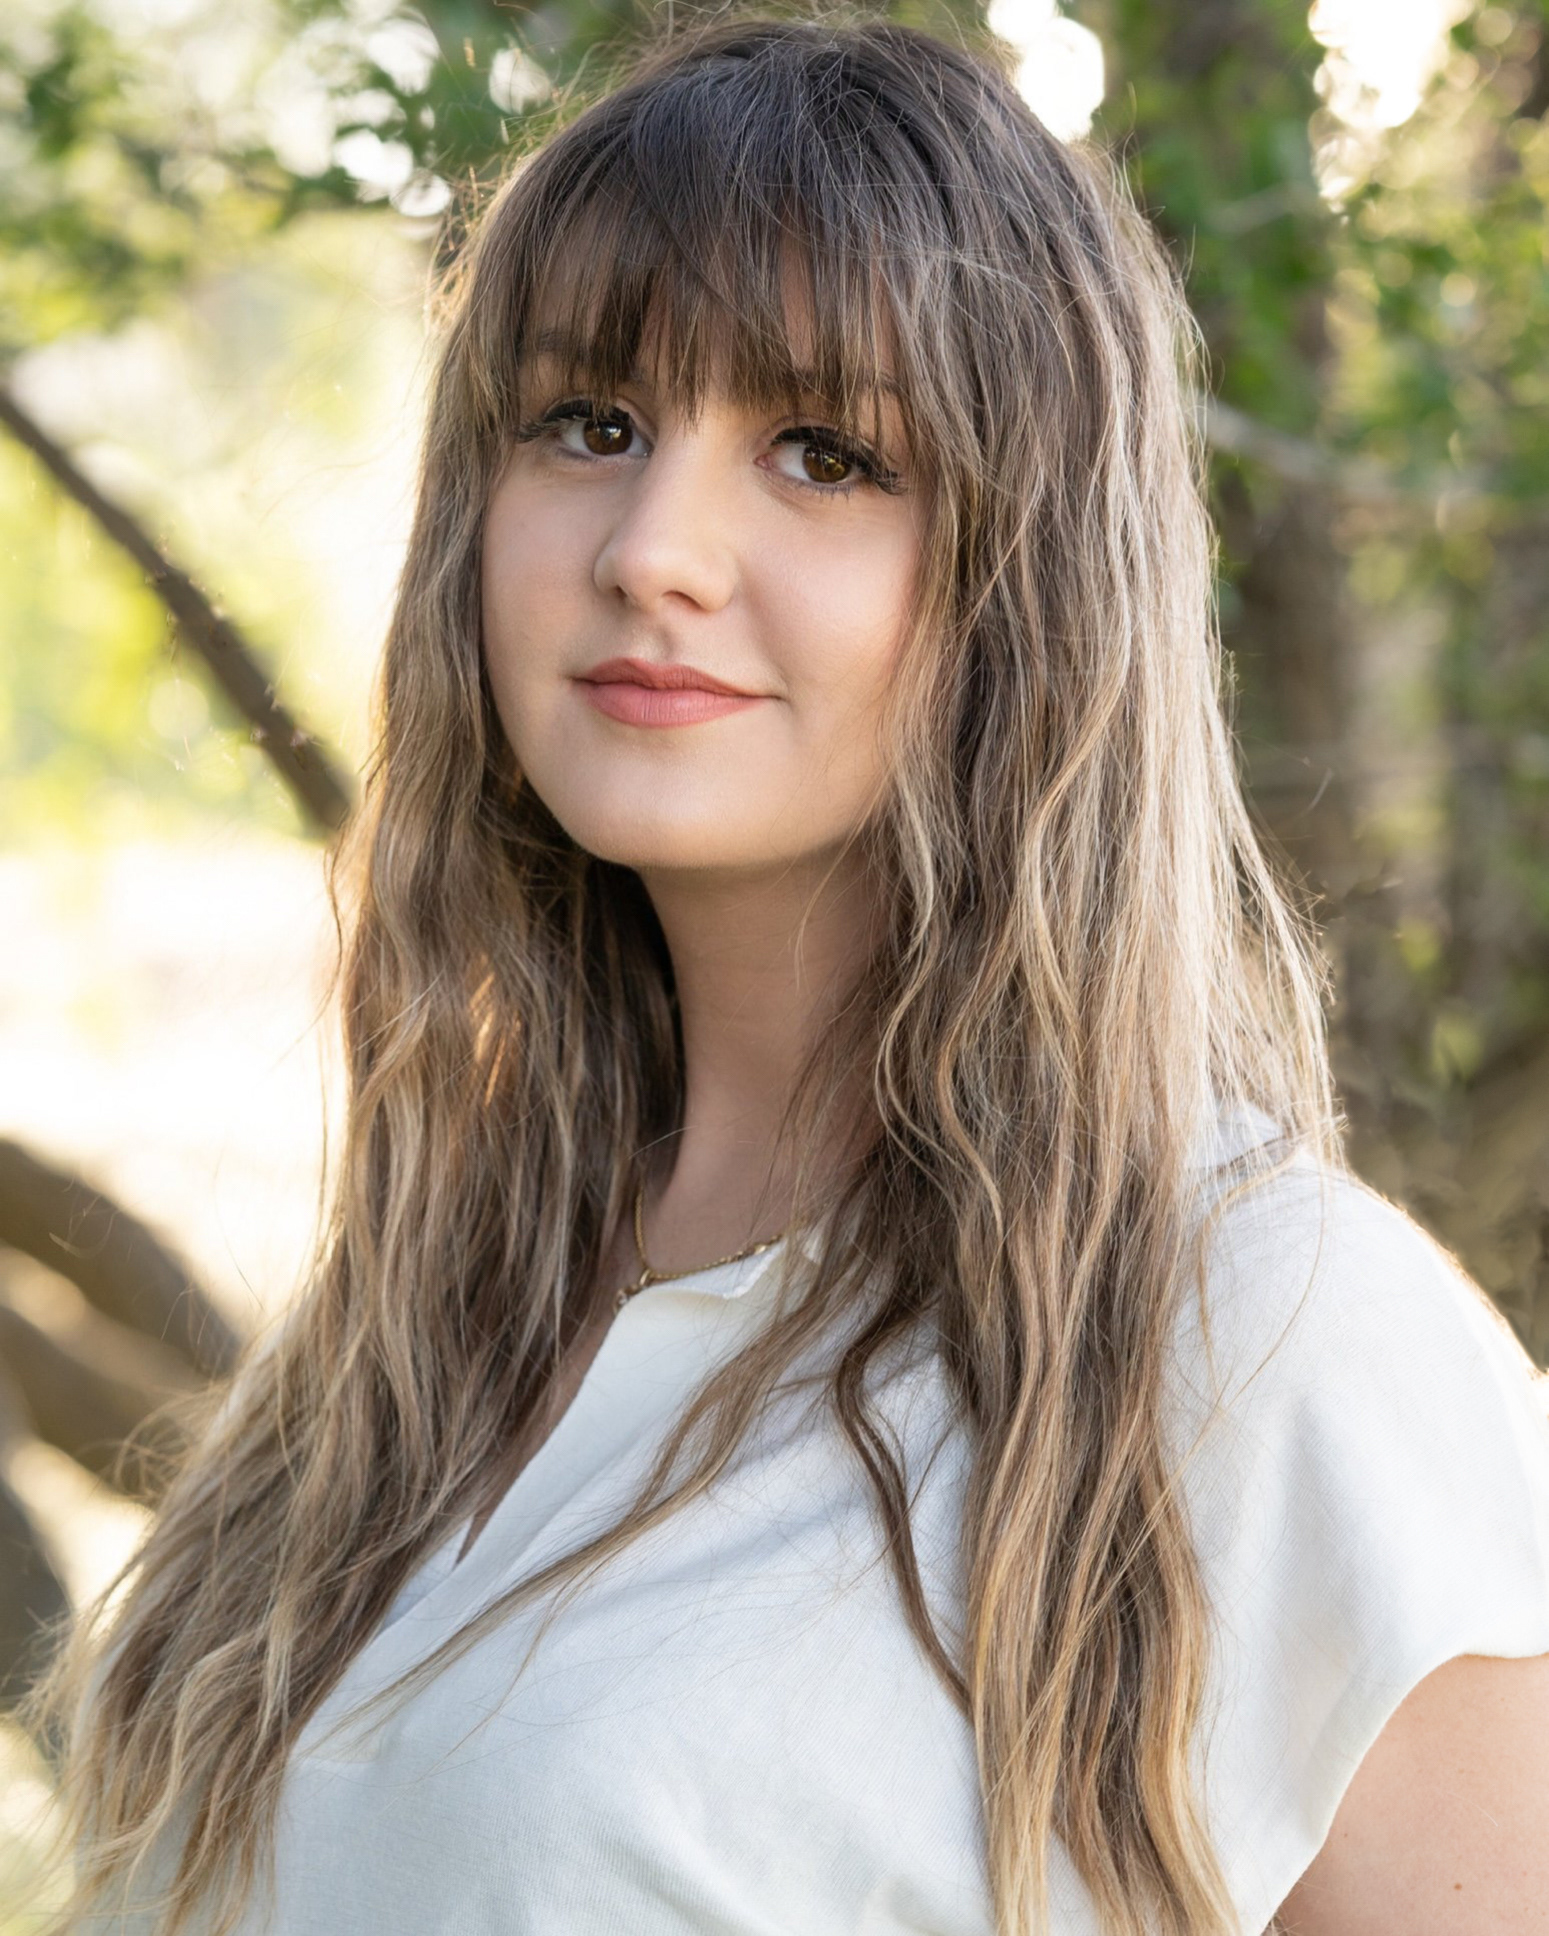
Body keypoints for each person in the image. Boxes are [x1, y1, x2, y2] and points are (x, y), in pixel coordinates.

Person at [24, 12, 1549, 1935]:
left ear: (1032, 585)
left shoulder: (1270, 1341)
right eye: (589, 425)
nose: (653, 549)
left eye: (823, 455)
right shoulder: (433, 1313)